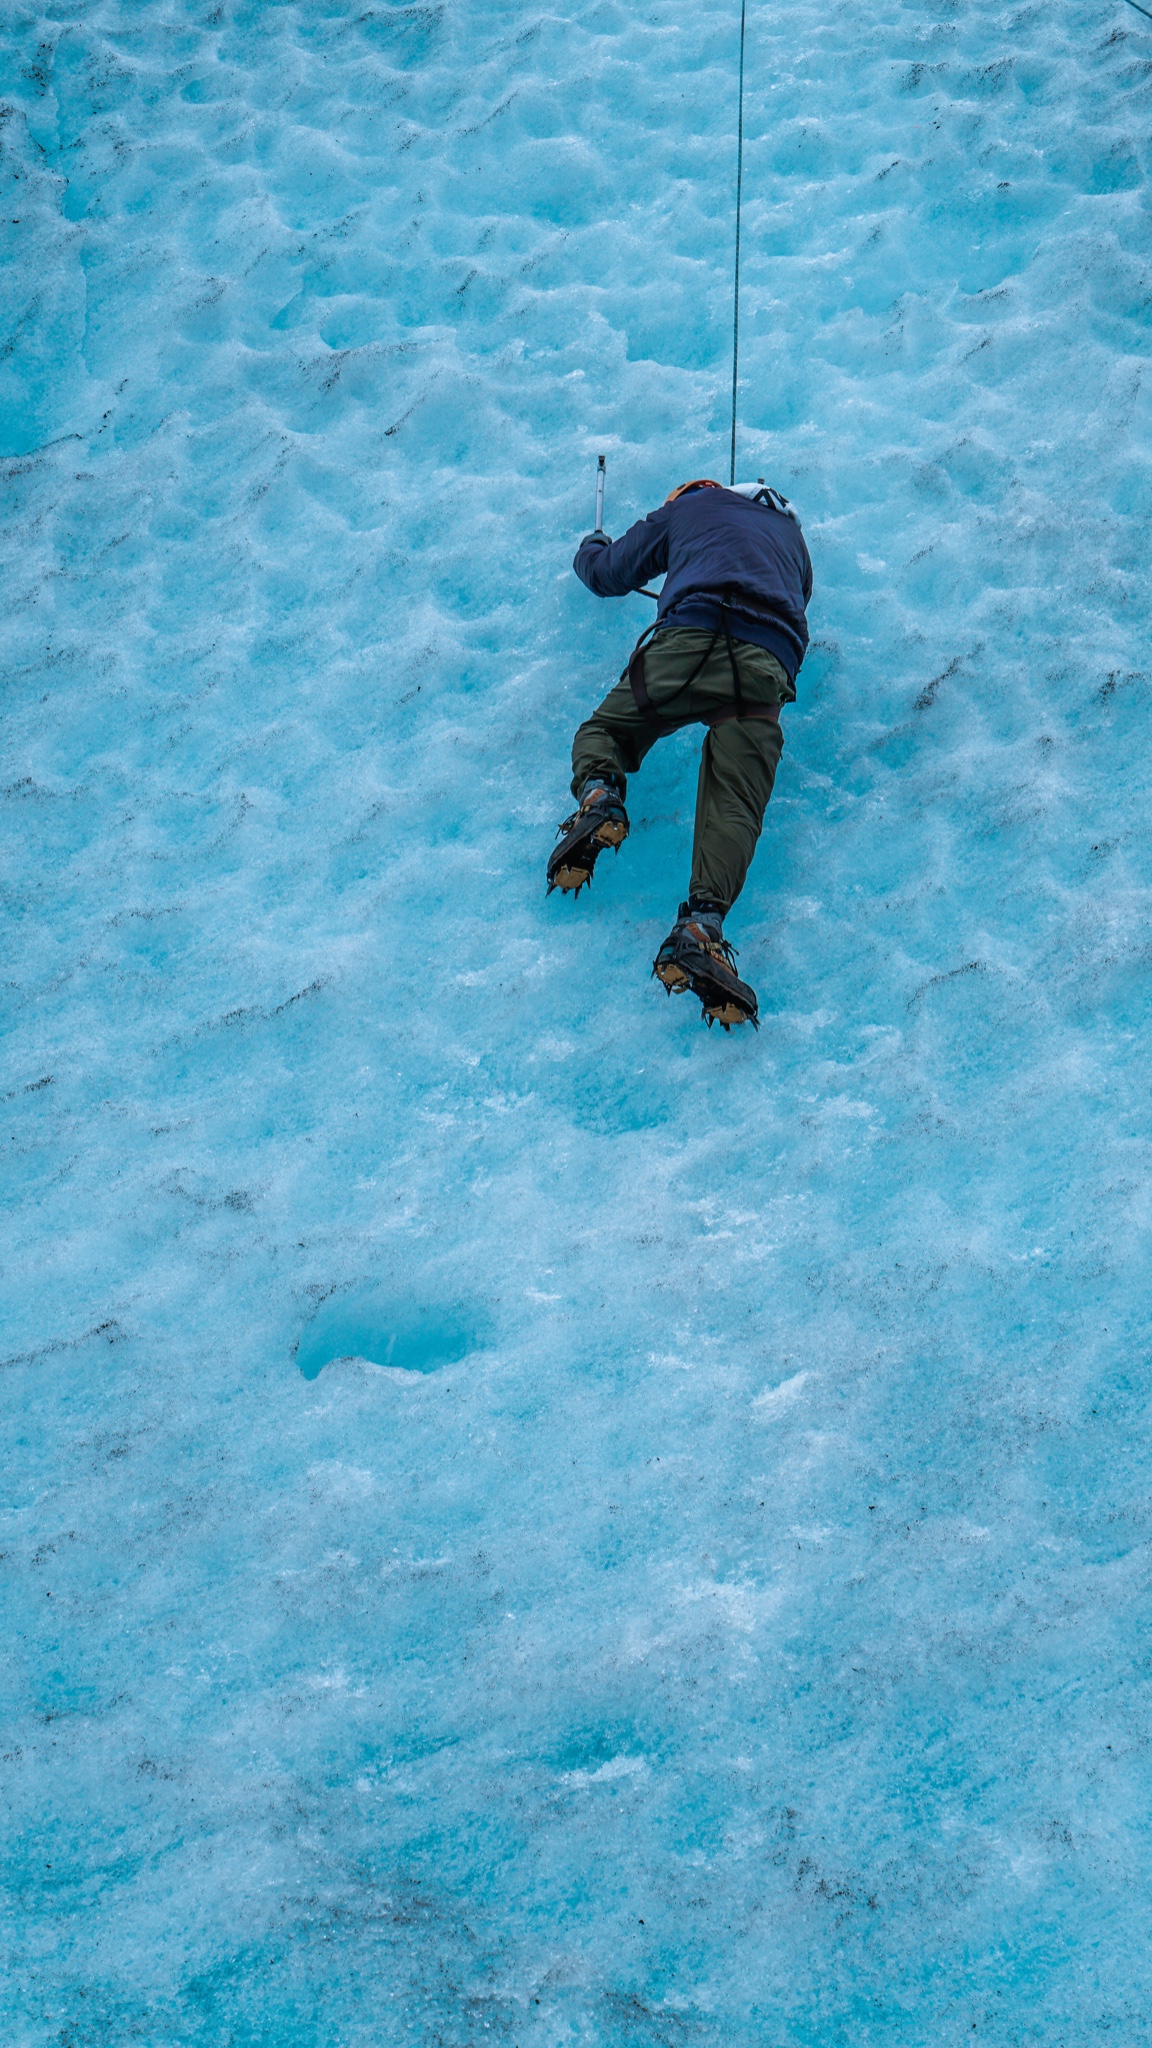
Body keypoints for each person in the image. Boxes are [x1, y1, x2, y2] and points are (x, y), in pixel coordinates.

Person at [547, 476, 814, 1030]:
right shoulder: (795, 542)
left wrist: (590, 547)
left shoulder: (689, 507)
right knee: (735, 804)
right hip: (765, 665)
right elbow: (797, 598)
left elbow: (611, 573)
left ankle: (600, 795)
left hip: (687, 641)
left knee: (605, 734)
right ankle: (700, 929)